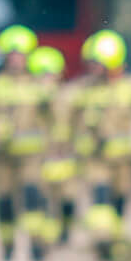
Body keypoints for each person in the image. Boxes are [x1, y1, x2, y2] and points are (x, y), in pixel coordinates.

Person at [66, 29, 131, 261]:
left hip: (123, 159)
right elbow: (66, 115)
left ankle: (115, 241)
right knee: (100, 198)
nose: (92, 68)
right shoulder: (84, 90)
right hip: (95, 158)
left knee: (120, 200)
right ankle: (102, 240)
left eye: (97, 63)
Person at [0, 25, 53, 261]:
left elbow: (55, 112)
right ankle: (7, 245)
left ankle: (36, 244)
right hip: (0, 156)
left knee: (32, 195)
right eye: (12, 55)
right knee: (4, 200)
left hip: (31, 155)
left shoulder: (40, 85)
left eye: (21, 55)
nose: (16, 60)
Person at [28, 45, 77, 248]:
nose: (48, 79)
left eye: (51, 74)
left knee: (67, 199)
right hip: (40, 158)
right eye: (43, 75)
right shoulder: (29, 99)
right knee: (41, 202)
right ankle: (40, 242)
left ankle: (64, 230)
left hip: (65, 157)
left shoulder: (71, 97)